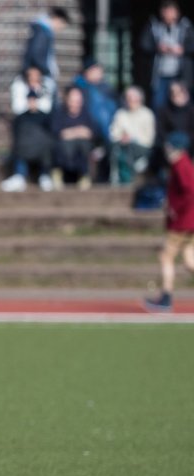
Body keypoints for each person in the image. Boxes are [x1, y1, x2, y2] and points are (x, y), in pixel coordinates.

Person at [145, 131, 194, 312]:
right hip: (188, 221)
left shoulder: (182, 165)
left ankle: (166, 297)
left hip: (182, 222)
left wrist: (175, 208)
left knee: (166, 256)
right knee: (189, 261)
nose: (167, 150)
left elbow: (189, 192)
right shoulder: (181, 164)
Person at [140, 1, 194, 113]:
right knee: (158, 104)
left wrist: (182, 50)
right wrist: (157, 48)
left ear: (177, 13)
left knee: (182, 105)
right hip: (160, 75)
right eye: (166, 12)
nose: (168, 15)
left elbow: (192, 45)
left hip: (180, 74)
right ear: (161, 13)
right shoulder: (154, 26)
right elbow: (143, 44)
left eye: (171, 11)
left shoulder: (186, 27)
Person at [1, 90, 57, 191]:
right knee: (20, 147)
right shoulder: (21, 118)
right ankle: (20, 176)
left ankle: (45, 175)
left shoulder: (45, 117)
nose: (32, 102)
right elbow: (17, 134)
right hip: (25, 147)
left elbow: (50, 133)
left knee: (47, 147)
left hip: (41, 148)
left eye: (34, 100)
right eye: (30, 100)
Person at [51, 87, 98, 188]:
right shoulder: (59, 113)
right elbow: (59, 133)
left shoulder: (86, 113)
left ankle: (84, 176)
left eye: (78, 101)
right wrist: (79, 131)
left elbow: (90, 133)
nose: (75, 104)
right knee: (61, 145)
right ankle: (57, 175)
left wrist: (71, 132)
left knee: (84, 144)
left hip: (81, 148)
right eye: (73, 101)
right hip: (63, 148)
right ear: (67, 100)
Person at [110, 86, 157, 184]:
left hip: (142, 147)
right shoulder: (120, 113)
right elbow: (113, 133)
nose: (131, 101)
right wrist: (122, 137)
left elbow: (149, 139)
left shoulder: (147, 114)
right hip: (122, 144)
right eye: (128, 99)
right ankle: (115, 179)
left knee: (129, 149)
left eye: (134, 99)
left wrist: (132, 138)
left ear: (140, 99)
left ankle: (128, 179)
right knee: (115, 148)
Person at [22, 7, 70, 99]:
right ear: (57, 19)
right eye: (61, 25)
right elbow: (36, 55)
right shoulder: (42, 31)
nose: (60, 29)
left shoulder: (41, 30)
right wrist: (47, 71)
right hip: (41, 78)